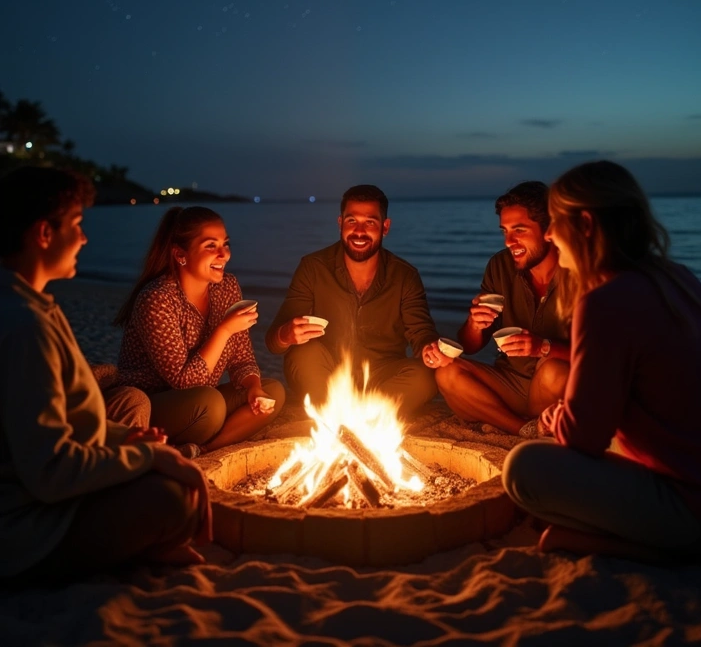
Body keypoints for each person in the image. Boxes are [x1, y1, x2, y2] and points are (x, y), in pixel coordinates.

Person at [0, 166, 210, 581]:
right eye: (77, 225)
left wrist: (125, 442)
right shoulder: (25, 327)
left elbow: (60, 420)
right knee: (172, 499)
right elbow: (51, 471)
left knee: (157, 461)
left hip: (42, 492)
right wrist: (146, 456)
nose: (84, 238)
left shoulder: (30, 304)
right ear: (44, 233)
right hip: (24, 526)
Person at [503, 161, 701, 561]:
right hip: (690, 471)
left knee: (523, 468)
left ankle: (647, 547)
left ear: (586, 225)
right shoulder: (677, 277)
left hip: (688, 502)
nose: (550, 234)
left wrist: (554, 419)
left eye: (556, 222)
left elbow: (584, 437)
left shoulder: (606, 301)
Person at [115, 206, 285, 456]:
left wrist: (253, 387)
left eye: (225, 244)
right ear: (180, 254)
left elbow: (242, 358)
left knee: (273, 392)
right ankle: (184, 442)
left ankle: (203, 449)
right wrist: (224, 329)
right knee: (210, 405)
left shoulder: (227, 287)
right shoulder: (157, 299)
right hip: (152, 405)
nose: (224, 254)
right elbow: (185, 383)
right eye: (210, 246)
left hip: (204, 399)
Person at [265, 184, 439, 420]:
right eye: (351, 221)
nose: (359, 231)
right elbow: (273, 342)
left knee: (426, 375)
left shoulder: (404, 276)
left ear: (385, 227)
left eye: (370, 222)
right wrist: (286, 334)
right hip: (326, 373)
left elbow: (422, 334)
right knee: (302, 354)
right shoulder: (313, 267)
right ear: (340, 223)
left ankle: (342, 415)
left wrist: (430, 349)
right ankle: (364, 415)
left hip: (382, 376)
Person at [426, 181, 569, 436]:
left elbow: (604, 355)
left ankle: (515, 422)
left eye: (519, 230)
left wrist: (544, 347)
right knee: (446, 372)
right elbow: (470, 346)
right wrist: (474, 324)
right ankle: (523, 429)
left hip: (556, 387)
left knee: (553, 370)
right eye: (505, 231)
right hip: (510, 383)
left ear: (549, 229)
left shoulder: (580, 271)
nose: (509, 242)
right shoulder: (500, 266)